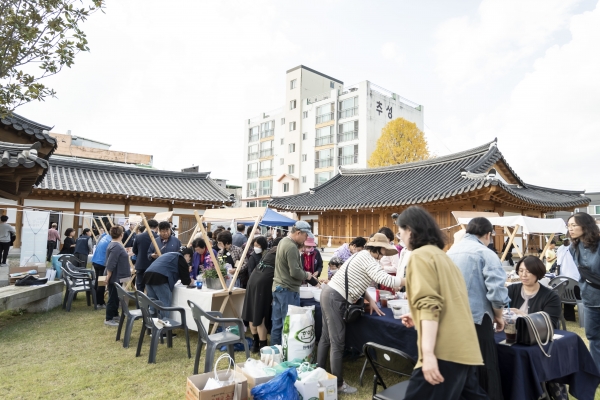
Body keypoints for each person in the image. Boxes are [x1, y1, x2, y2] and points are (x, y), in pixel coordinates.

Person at [396, 206, 488, 400]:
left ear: (410, 231)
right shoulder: (443, 257)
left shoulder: (419, 256)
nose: (400, 239)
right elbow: (450, 301)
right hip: (464, 347)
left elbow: (429, 304)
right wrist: (417, 314)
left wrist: (428, 354)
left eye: (400, 233)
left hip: (443, 350)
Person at [318, 233, 404, 394]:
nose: (384, 254)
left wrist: (370, 299)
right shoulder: (369, 259)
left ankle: (318, 373)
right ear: (378, 249)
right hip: (335, 298)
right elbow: (387, 280)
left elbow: (355, 279)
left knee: (326, 338)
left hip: (328, 294)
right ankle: (338, 384)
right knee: (337, 342)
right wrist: (411, 279)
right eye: (384, 250)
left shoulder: (361, 255)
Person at [447, 217, 509, 400]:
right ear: (488, 234)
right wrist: (499, 316)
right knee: (483, 365)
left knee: (459, 365)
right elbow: (497, 293)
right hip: (477, 319)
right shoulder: (485, 253)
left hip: (450, 318)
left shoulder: (451, 251)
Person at [271, 221, 320, 346]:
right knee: (288, 323)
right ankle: (286, 353)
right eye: (305, 236)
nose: (305, 240)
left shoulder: (283, 241)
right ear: (298, 233)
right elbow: (294, 272)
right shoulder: (291, 247)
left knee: (277, 324)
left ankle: (275, 351)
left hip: (278, 287)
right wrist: (307, 275)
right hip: (288, 289)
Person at [568, 212, 600, 371]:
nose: (570, 229)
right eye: (569, 226)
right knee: (593, 337)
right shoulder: (573, 248)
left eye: (574, 225)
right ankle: (597, 371)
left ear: (586, 225)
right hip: (589, 299)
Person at [242, 236, 276, 353]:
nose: (256, 248)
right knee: (260, 315)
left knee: (252, 312)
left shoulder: (267, 255)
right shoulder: (276, 255)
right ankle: (262, 346)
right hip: (262, 285)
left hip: (252, 282)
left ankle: (255, 343)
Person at [507, 256, 562, 327]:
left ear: (537, 273)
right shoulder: (511, 290)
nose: (524, 275)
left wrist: (523, 315)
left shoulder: (551, 297)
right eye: (521, 271)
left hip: (537, 336)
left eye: (528, 271)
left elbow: (550, 324)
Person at [143, 248, 193, 318]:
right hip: (160, 277)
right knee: (164, 304)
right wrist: (191, 281)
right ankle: (164, 325)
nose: (188, 261)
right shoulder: (180, 258)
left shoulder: (170, 254)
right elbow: (186, 281)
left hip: (147, 275)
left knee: (153, 303)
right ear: (188, 255)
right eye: (189, 259)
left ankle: (152, 325)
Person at [104, 226, 131, 327]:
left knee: (116, 296)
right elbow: (111, 262)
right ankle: (108, 318)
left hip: (117, 275)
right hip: (115, 276)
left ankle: (115, 314)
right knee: (113, 297)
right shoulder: (116, 246)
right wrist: (108, 275)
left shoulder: (115, 245)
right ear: (121, 234)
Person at [556, 239, 580, 321]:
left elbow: (558, 264)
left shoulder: (560, 249)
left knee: (567, 298)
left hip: (563, 279)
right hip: (577, 280)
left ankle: (569, 317)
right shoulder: (578, 248)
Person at [132, 219, 159, 292]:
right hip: (152, 265)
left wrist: (140, 255)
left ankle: (139, 303)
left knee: (139, 288)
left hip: (140, 264)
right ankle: (148, 303)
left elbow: (134, 250)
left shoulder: (138, 236)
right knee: (150, 288)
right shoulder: (158, 238)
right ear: (156, 227)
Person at [91, 231, 112, 309]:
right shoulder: (110, 241)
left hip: (96, 261)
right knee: (101, 283)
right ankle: (100, 302)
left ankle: (96, 300)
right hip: (101, 263)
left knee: (98, 282)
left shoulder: (105, 236)